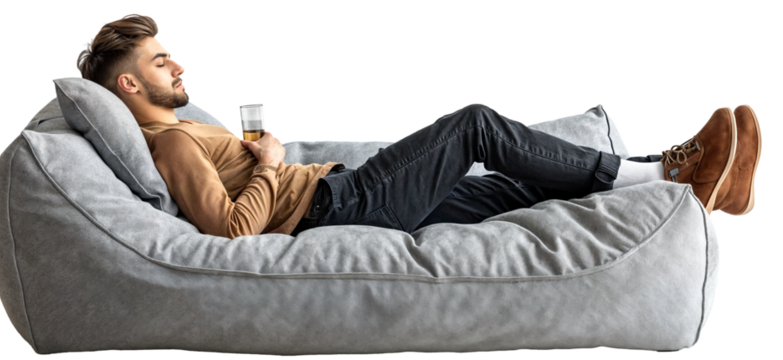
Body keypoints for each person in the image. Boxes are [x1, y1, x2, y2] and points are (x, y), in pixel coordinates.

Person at [74, 13, 764, 239]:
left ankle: (694, 191)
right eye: (161, 62)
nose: (179, 66)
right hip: (337, 205)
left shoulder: (186, 125)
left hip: (338, 195)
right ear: (128, 84)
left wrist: (257, 154)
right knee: (473, 124)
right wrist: (270, 165)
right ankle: (662, 169)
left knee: (507, 192)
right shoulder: (168, 141)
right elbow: (229, 229)